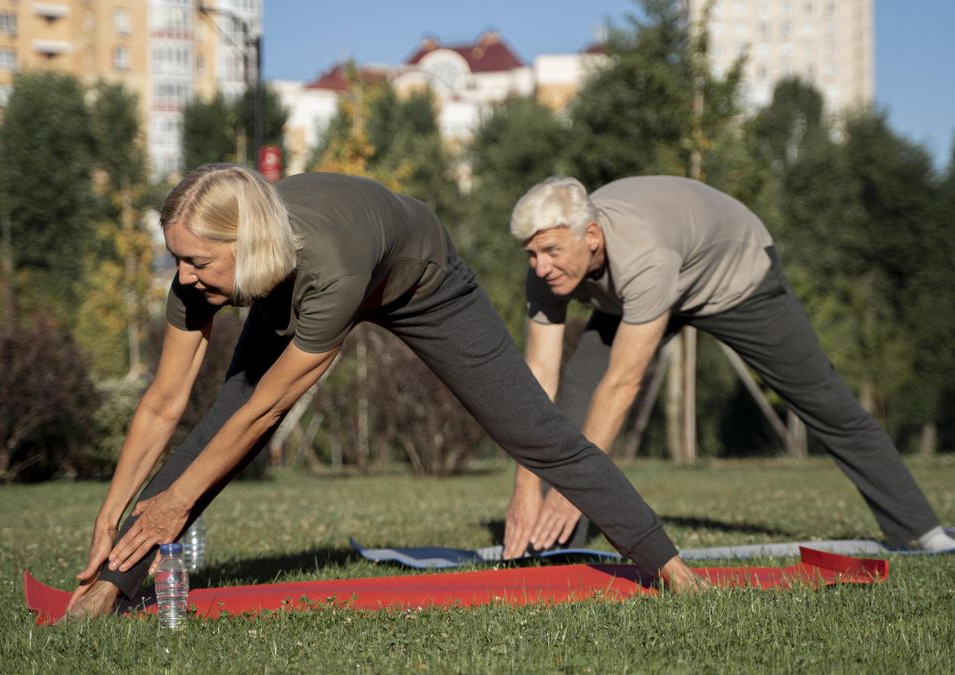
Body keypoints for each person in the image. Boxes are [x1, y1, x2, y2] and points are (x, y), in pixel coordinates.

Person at [66, 165, 702, 618]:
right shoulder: (204, 275)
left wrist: (175, 503)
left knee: (532, 430)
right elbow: (163, 403)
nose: (183, 276)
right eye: (176, 258)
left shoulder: (329, 266)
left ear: (247, 243)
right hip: (301, 272)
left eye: (198, 262)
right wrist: (109, 515)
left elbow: (268, 411)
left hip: (422, 282)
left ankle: (671, 567)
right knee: (214, 422)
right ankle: (111, 589)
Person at [501, 175, 955, 559]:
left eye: (552, 253)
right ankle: (556, 549)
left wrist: (571, 487)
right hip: (641, 291)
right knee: (579, 393)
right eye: (532, 254)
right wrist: (526, 484)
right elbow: (539, 378)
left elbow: (623, 383)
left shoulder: (644, 254)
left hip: (736, 276)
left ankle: (921, 530)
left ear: (592, 237)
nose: (540, 267)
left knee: (821, 398)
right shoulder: (546, 264)